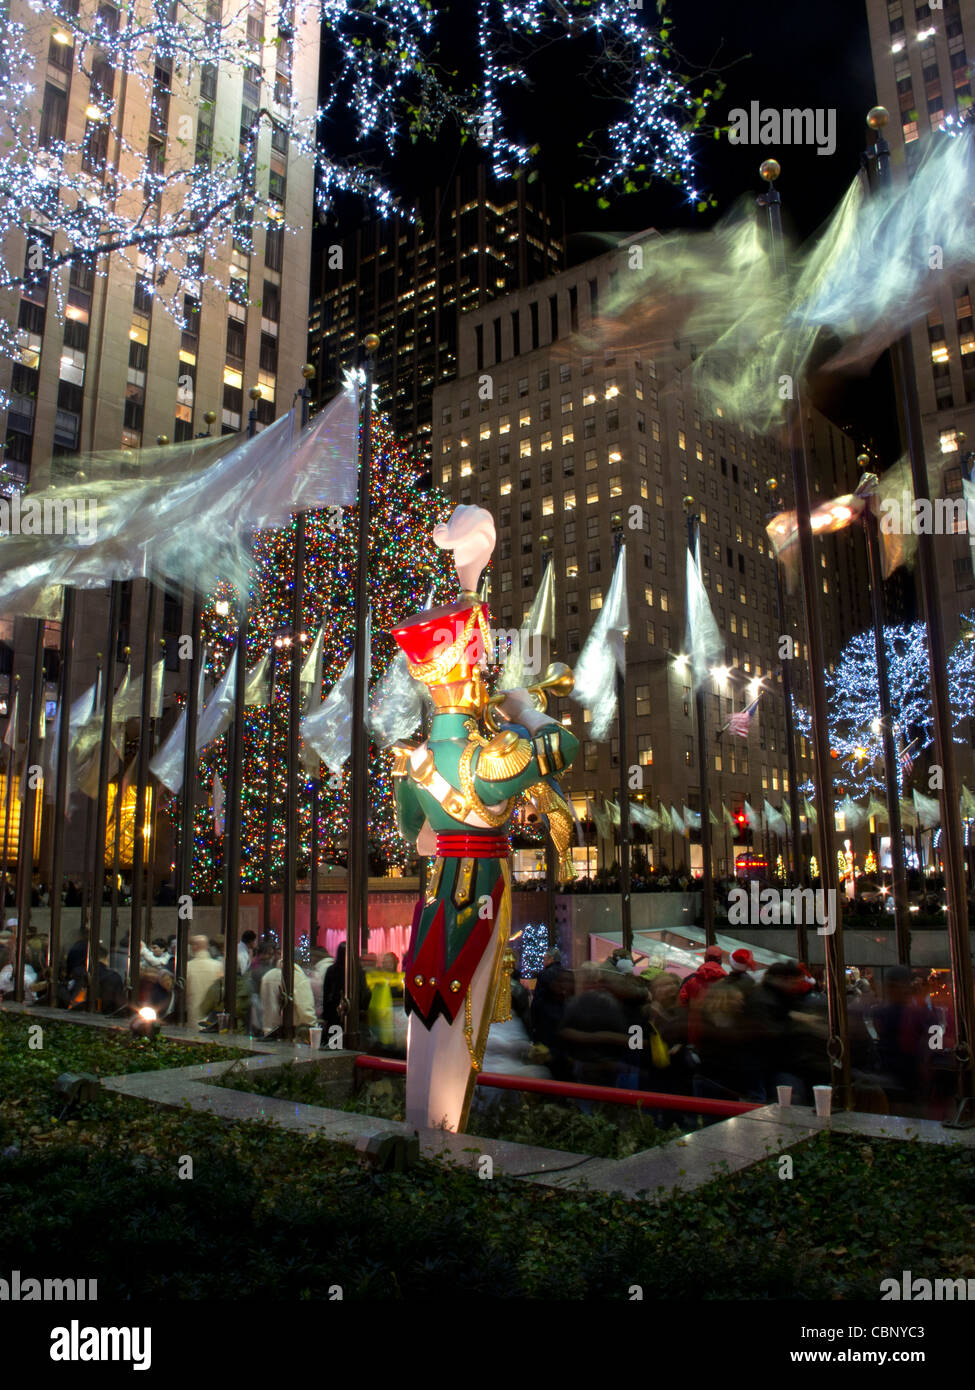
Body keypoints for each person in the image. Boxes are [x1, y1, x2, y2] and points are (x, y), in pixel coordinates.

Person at [260, 953, 317, 1033]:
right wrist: (314, 1029)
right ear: (299, 961)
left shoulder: (267, 976)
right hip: (290, 1033)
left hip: (268, 1031)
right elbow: (306, 1012)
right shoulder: (298, 978)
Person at [186, 934, 223, 1025]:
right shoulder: (218, 965)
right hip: (213, 1013)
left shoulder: (188, 966)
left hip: (194, 1012)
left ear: (194, 947)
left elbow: (185, 991)